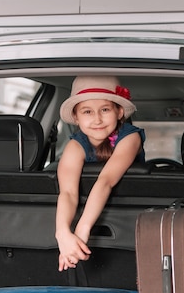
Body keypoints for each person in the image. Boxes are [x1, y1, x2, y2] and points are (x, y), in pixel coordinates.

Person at [55, 75, 145, 272]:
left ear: (119, 112)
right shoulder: (75, 145)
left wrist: (81, 232)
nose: (97, 119)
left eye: (105, 109)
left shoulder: (130, 137)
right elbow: (68, 193)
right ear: (76, 117)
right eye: (87, 111)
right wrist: (63, 235)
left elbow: (105, 181)